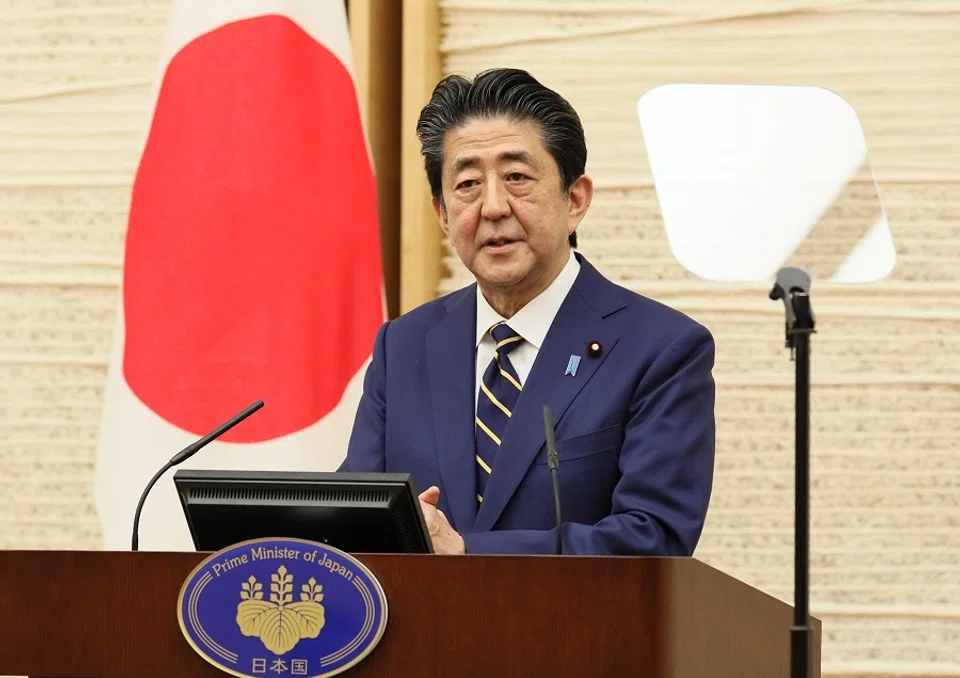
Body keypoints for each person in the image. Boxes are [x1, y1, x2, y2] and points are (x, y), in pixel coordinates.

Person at [340, 68, 716, 556]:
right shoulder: (404, 345)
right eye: (468, 183)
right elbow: (358, 516)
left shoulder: (661, 349)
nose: (493, 207)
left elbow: (654, 538)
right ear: (443, 215)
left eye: (517, 177)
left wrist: (466, 553)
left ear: (575, 200)